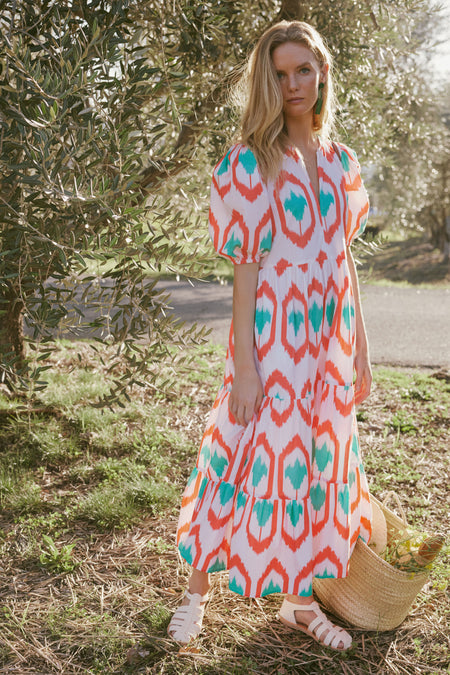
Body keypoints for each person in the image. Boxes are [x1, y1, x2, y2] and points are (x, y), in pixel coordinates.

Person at [168, 19, 372, 652]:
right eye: (280, 74)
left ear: (322, 73)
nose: (293, 85)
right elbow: (246, 271)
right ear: (267, 81)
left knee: (313, 464)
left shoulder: (340, 163)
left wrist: (361, 351)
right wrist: (246, 367)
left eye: (303, 70)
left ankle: (299, 604)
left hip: (329, 348)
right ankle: (195, 595)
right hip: (273, 344)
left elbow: (343, 259)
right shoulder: (249, 164)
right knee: (238, 454)